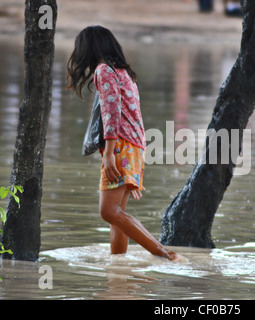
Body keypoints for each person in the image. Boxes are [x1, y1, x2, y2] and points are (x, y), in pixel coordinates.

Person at [67, 25, 182, 261]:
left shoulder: (104, 70)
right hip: (134, 146)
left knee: (108, 212)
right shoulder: (123, 72)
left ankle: (165, 254)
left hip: (120, 146)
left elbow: (111, 113)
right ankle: (118, 265)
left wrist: (109, 154)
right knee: (117, 214)